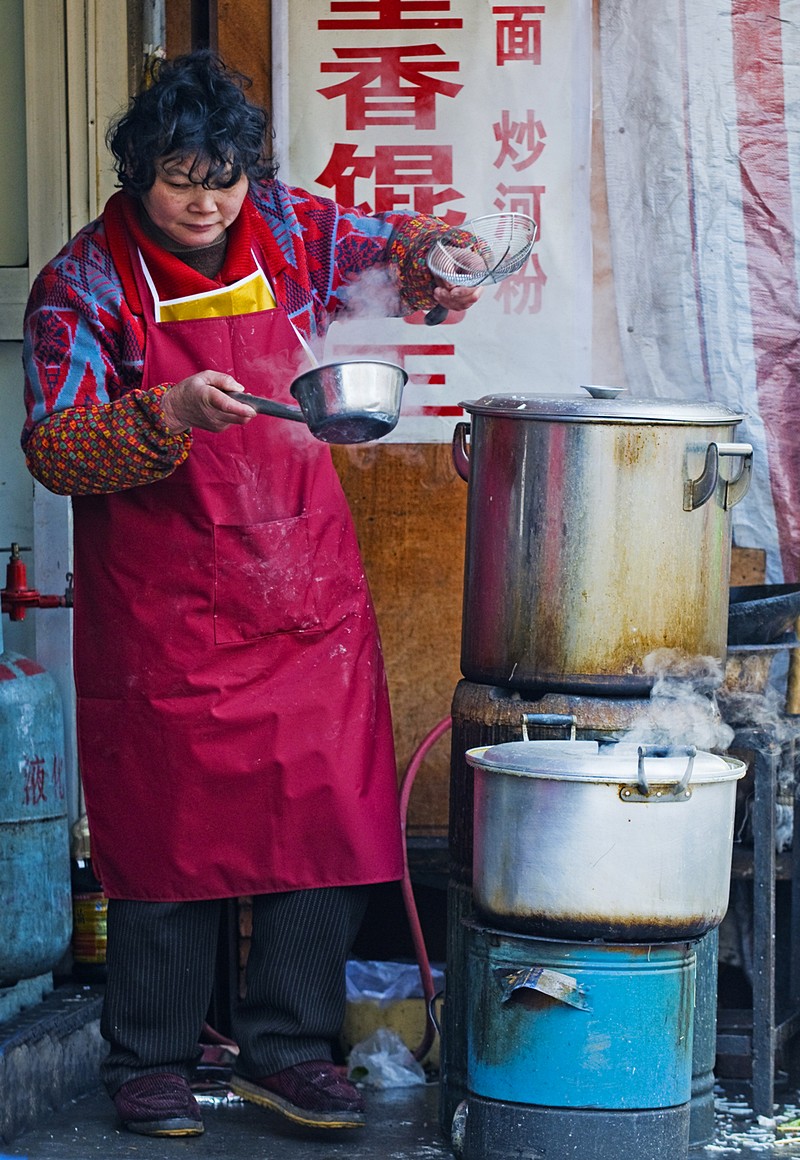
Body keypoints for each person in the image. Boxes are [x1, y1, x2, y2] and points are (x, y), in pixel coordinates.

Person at [21, 50, 480, 1140]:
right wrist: (166, 412)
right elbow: (52, 446)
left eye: (220, 176)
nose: (205, 198)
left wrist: (441, 254)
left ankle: (289, 1050)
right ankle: (151, 1058)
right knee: (167, 837)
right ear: (137, 176)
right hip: (165, 609)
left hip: (300, 596)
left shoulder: (287, 225)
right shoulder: (82, 284)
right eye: (179, 176)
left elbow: (400, 263)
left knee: (325, 820)